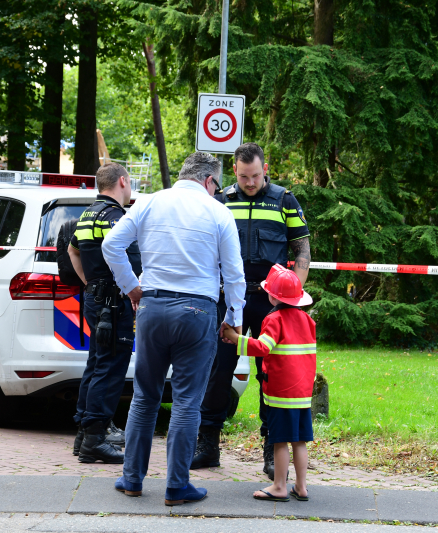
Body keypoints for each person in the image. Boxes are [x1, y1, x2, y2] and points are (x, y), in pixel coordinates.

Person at [102, 151, 246, 506]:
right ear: (209, 181)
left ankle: (132, 478)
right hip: (197, 311)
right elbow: (234, 272)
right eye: (216, 186)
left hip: (151, 307)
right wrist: (234, 317)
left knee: (144, 396)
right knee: (186, 401)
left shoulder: (150, 202)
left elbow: (111, 245)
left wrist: (131, 287)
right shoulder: (218, 212)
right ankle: (177, 486)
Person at [191, 142, 311, 480]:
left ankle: (273, 451)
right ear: (235, 171)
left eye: (256, 175)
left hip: (269, 301)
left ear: (265, 168)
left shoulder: (284, 200)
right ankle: (207, 445)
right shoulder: (221, 200)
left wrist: (291, 298)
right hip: (228, 298)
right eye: (244, 176)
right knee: (218, 370)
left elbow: (302, 248)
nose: (250, 182)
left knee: (272, 373)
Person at [221, 264, 316, 502]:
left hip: (281, 393)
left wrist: (235, 338)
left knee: (279, 439)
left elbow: (262, 347)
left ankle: (279, 487)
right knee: (300, 441)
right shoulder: (308, 320)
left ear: (272, 296)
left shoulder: (274, 319)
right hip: (302, 393)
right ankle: (301, 487)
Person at [68, 163, 142, 464]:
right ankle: (95, 439)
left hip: (95, 299)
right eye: (130, 183)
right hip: (113, 303)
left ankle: (84, 433)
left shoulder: (87, 215)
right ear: (122, 181)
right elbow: (119, 251)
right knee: (110, 368)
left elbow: (72, 251)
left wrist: (90, 284)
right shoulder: (114, 216)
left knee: (97, 363)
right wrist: (132, 288)